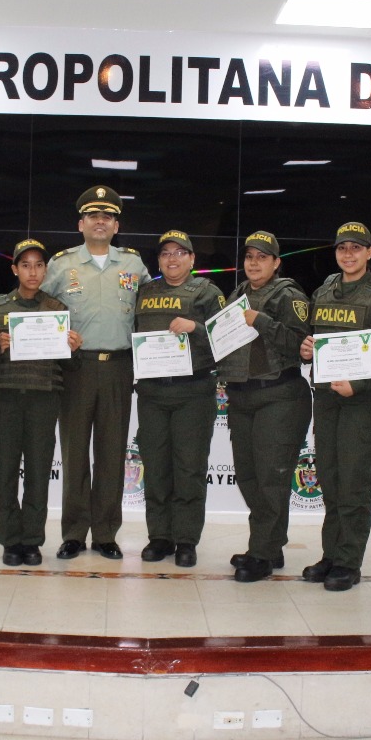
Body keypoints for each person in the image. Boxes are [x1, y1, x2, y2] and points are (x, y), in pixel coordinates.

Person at [42, 186, 147, 561]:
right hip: (76, 368)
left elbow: (150, 311)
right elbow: (40, 309)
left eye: (107, 216)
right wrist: (55, 336)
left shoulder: (134, 265)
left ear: (116, 224)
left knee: (111, 452)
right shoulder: (61, 264)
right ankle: (73, 532)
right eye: (92, 215)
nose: (100, 221)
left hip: (119, 367)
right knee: (73, 453)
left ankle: (105, 533)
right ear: (81, 223)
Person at [298, 222, 371, 591]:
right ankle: (331, 554)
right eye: (342, 248)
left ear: (369, 252)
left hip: (363, 402)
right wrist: (307, 349)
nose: (348, 254)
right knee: (330, 478)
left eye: (356, 248)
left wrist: (358, 384)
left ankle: (348, 561)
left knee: (353, 482)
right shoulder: (325, 290)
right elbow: (314, 337)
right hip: (327, 398)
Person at [218, 231, 312, 583]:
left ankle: (262, 552)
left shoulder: (289, 294)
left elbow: (298, 341)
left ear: (276, 263)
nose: (254, 263)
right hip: (242, 394)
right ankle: (269, 544)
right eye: (249, 257)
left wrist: (260, 320)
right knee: (249, 476)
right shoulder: (238, 294)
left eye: (262, 257)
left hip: (279, 393)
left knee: (271, 478)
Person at [0, 239, 81, 566]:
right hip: (5, 397)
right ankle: (10, 540)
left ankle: (32, 540)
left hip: (43, 397)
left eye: (39, 265)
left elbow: (69, 366)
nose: (32, 271)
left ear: (45, 270)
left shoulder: (57, 309)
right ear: (14, 269)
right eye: (25, 265)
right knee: (6, 471)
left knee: (39, 471)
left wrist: (73, 347)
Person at [134, 230, 225, 568]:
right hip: (153, 393)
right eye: (165, 254)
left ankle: (186, 539)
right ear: (158, 261)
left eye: (179, 253)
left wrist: (196, 328)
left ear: (192, 259)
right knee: (156, 467)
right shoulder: (145, 292)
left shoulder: (207, 292)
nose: (172, 259)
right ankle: (159, 536)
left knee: (188, 468)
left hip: (192, 392)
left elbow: (225, 339)